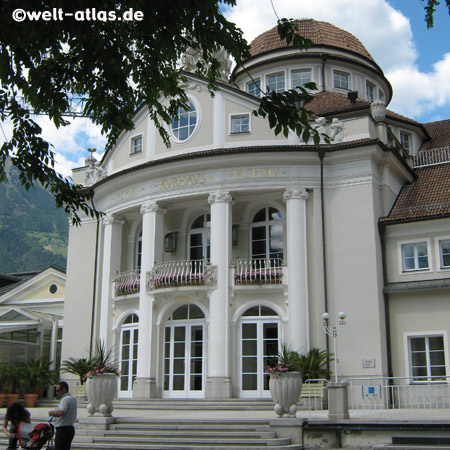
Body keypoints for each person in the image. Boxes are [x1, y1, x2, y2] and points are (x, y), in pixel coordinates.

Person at [48, 381, 77, 450]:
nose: (56, 393)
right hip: (69, 429)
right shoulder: (72, 399)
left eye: (58, 390)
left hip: (63, 430)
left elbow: (61, 412)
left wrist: (52, 413)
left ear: (64, 389)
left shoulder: (65, 399)